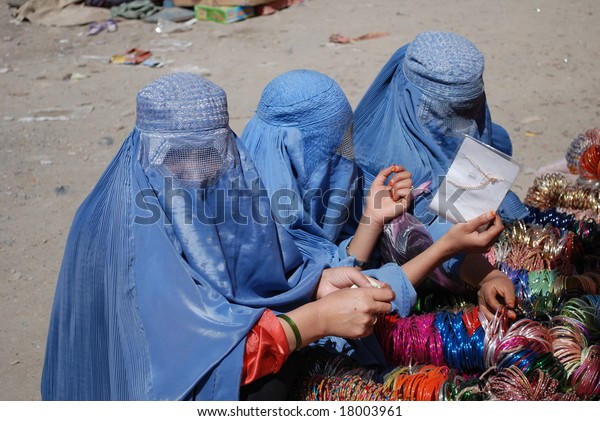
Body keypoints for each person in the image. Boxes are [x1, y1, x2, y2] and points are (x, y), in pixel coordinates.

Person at [40, 72, 398, 401]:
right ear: (147, 151)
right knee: (272, 384)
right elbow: (189, 360)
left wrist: (315, 284)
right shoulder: (130, 231)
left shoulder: (224, 192)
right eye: (178, 157)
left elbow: (253, 275)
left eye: (209, 154)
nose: (196, 172)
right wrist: (315, 320)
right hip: (139, 386)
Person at [240, 69, 515, 326]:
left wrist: (487, 274)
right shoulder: (250, 231)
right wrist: (444, 249)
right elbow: (342, 302)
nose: (345, 155)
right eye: (335, 146)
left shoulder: (351, 176)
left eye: (348, 140)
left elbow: (349, 266)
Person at [353, 31, 525, 315]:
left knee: (499, 141)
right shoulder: (378, 168)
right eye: (445, 112)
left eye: (470, 110)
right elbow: (425, 234)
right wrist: (485, 274)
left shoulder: (469, 131)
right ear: (410, 98)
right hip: (403, 270)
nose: (460, 125)